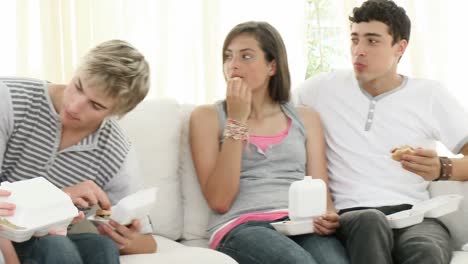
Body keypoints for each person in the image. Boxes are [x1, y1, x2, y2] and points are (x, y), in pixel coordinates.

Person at [295, 0, 468, 263]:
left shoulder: (430, 95)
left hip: (414, 216)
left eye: (372, 41)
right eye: (355, 39)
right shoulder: (320, 89)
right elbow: (269, 112)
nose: (359, 51)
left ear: (400, 47)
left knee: (427, 250)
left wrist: (442, 168)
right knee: (370, 221)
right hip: (350, 217)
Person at [190, 21, 348, 264]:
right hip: (243, 226)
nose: (233, 65)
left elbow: (322, 193)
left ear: (272, 66)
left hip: (302, 223)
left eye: (246, 56)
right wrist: (236, 119)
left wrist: (329, 215)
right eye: (228, 56)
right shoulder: (207, 118)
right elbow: (219, 200)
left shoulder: (306, 118)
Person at [0, 39, 157, 263]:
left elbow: (148, 242)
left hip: (47, 241)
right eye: (78, 87)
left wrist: (126, 238)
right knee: (57, 246)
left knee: (102, 247)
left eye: (96, 105)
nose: (74, 106)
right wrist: (59, 197)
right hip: (7, 235)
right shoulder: (9, 99)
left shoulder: (114, 149)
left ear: (116, 113)